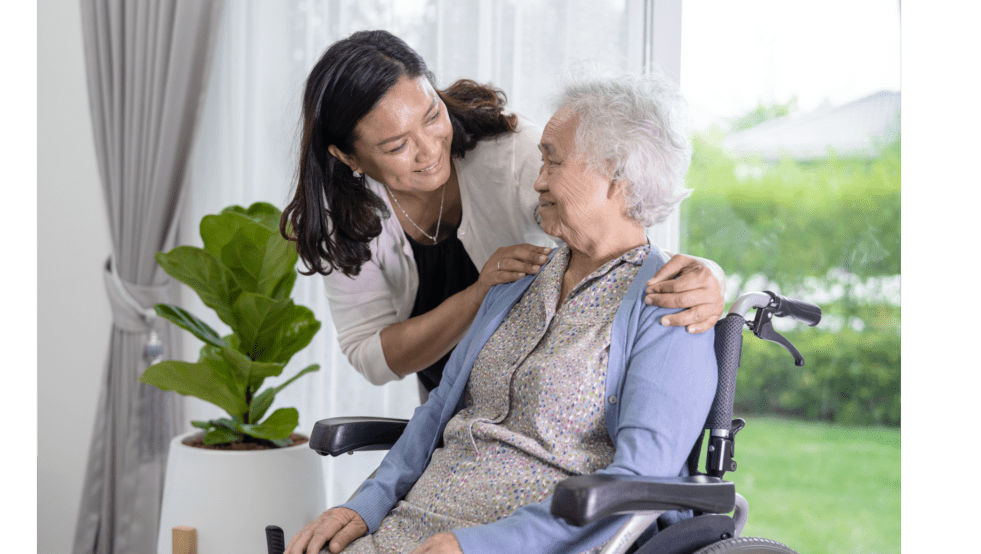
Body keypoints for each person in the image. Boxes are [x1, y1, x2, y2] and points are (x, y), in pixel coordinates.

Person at [250, 70, 718, 554]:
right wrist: (362, 505)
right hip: (415, 529)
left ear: (617, 177)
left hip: (532, 552)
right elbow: (434, 416)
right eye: (541, 159)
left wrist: (481, 552)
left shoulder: (670, 304)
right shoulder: (517, 279)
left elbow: (639, 478)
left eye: (553, 161)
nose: (537, 178)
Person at [279, 30, 725, 400]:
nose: (430, 148)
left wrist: (706, 276)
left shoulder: (516, 156)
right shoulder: (342, 218)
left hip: (541, 400)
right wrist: (480, 295)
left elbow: (622, 230)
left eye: (432, 115)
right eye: (397, 146)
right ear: (348, 157)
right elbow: (372, 356)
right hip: (457, 414)